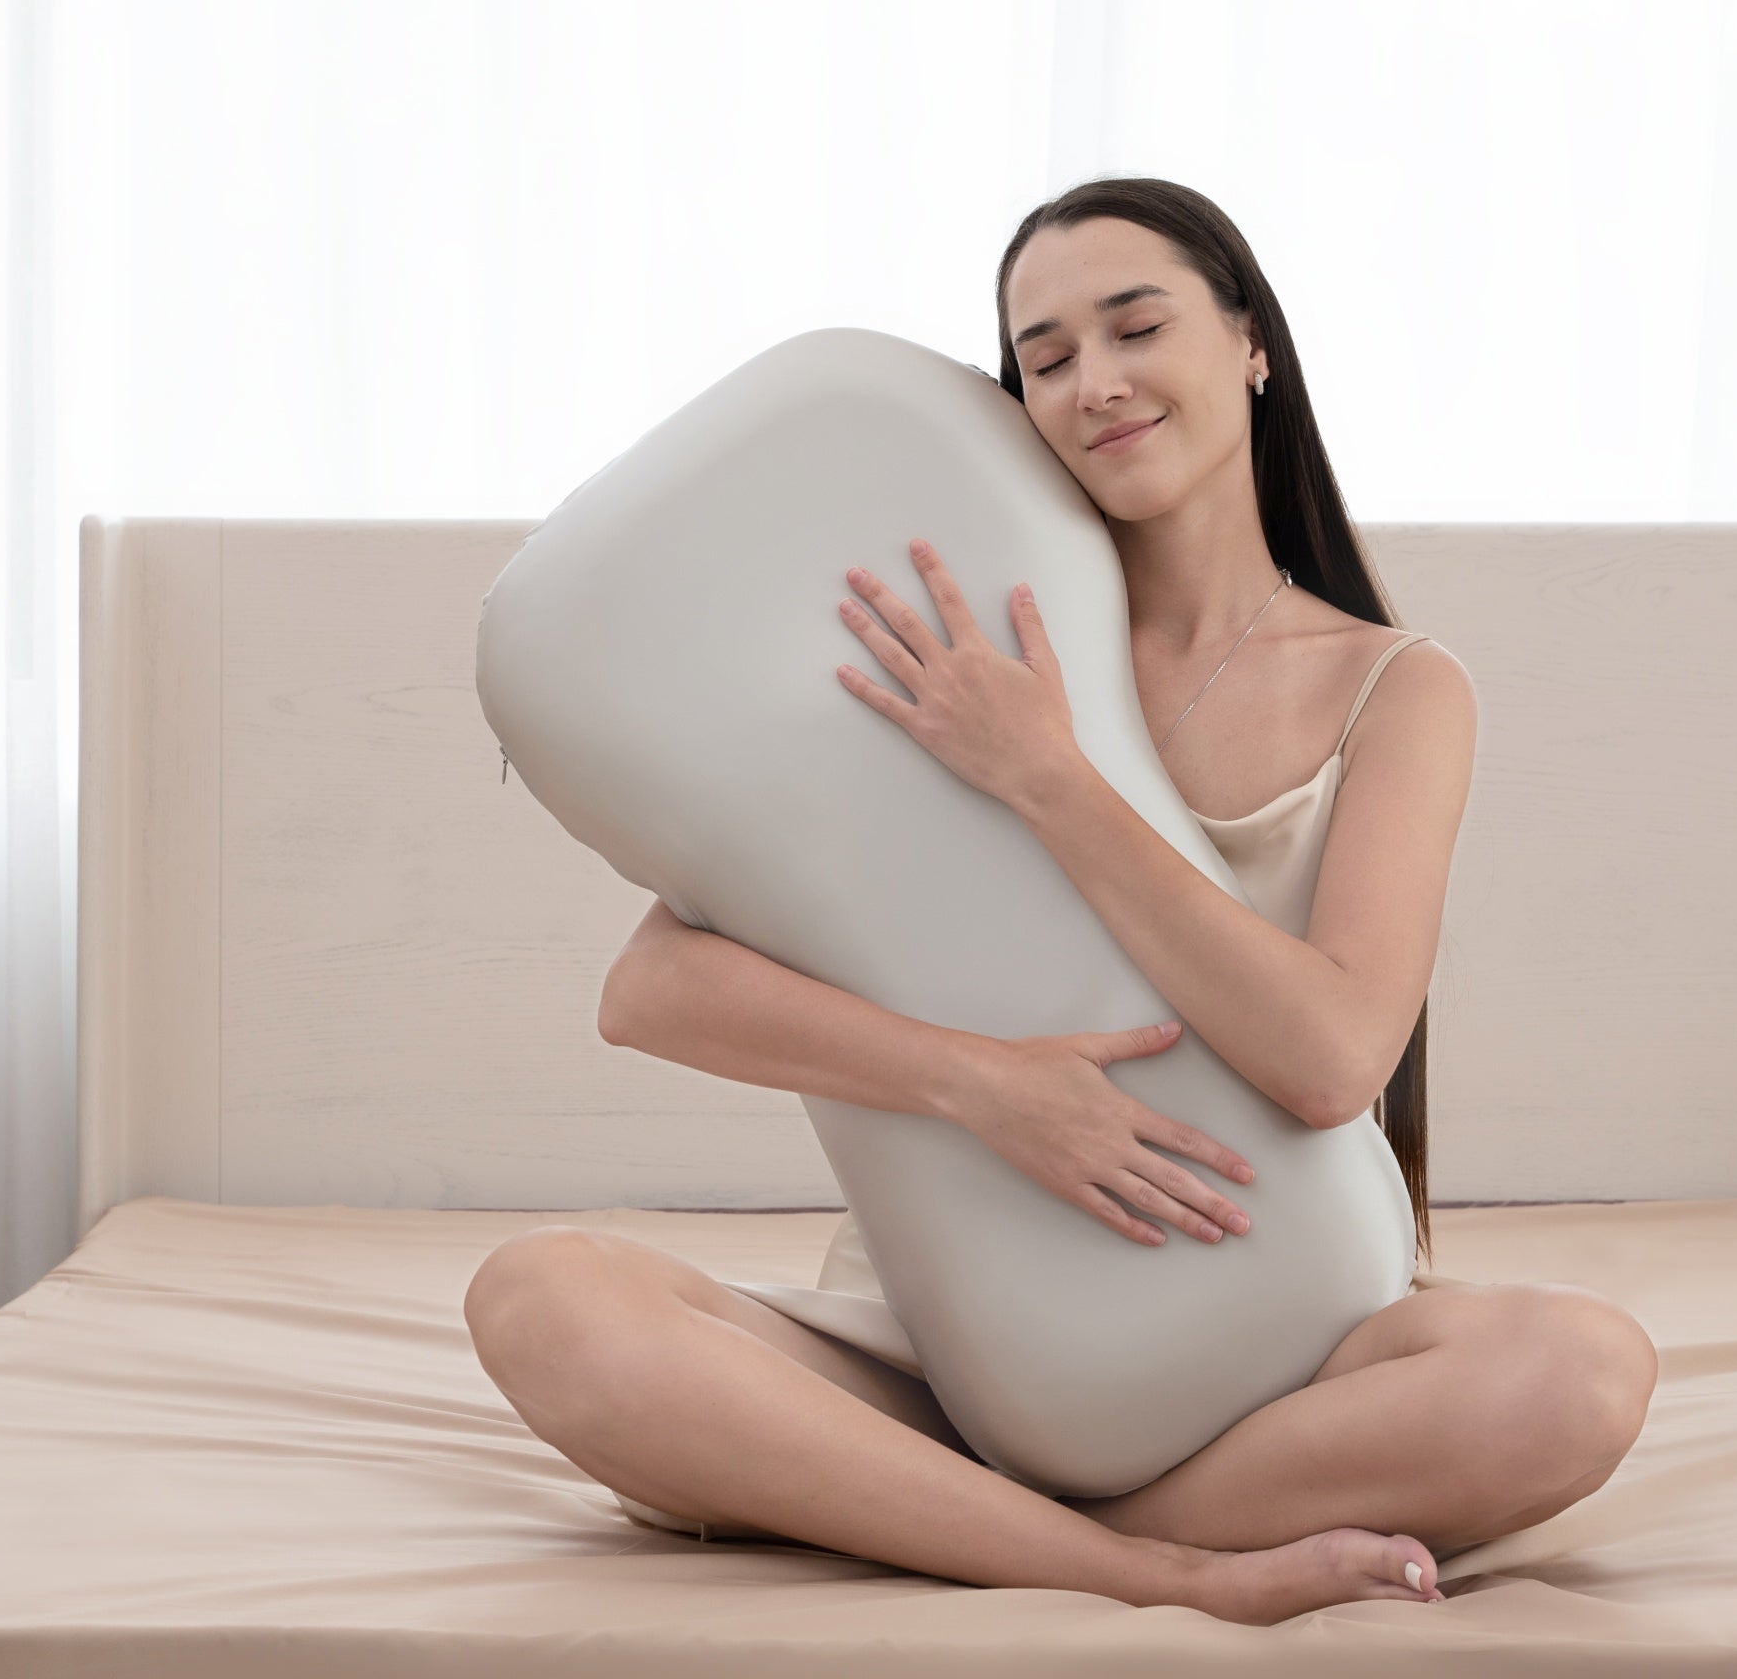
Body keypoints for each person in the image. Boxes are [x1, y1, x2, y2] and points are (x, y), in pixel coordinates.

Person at [462, 176, 1659, 1625]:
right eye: (1046, 359)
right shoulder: (945, 653)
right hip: (943, 1338)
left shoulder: (1393, 692)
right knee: (542, 1300)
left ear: (1251, 344)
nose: (1095, 384)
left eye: (1135, 328)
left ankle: (930, 1516)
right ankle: (1145, 1565)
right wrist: (986, 1088)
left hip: (1278, 1345)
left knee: (1577, 1378)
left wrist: (1052, 780)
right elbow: (647, 994)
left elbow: (1335, 1056)